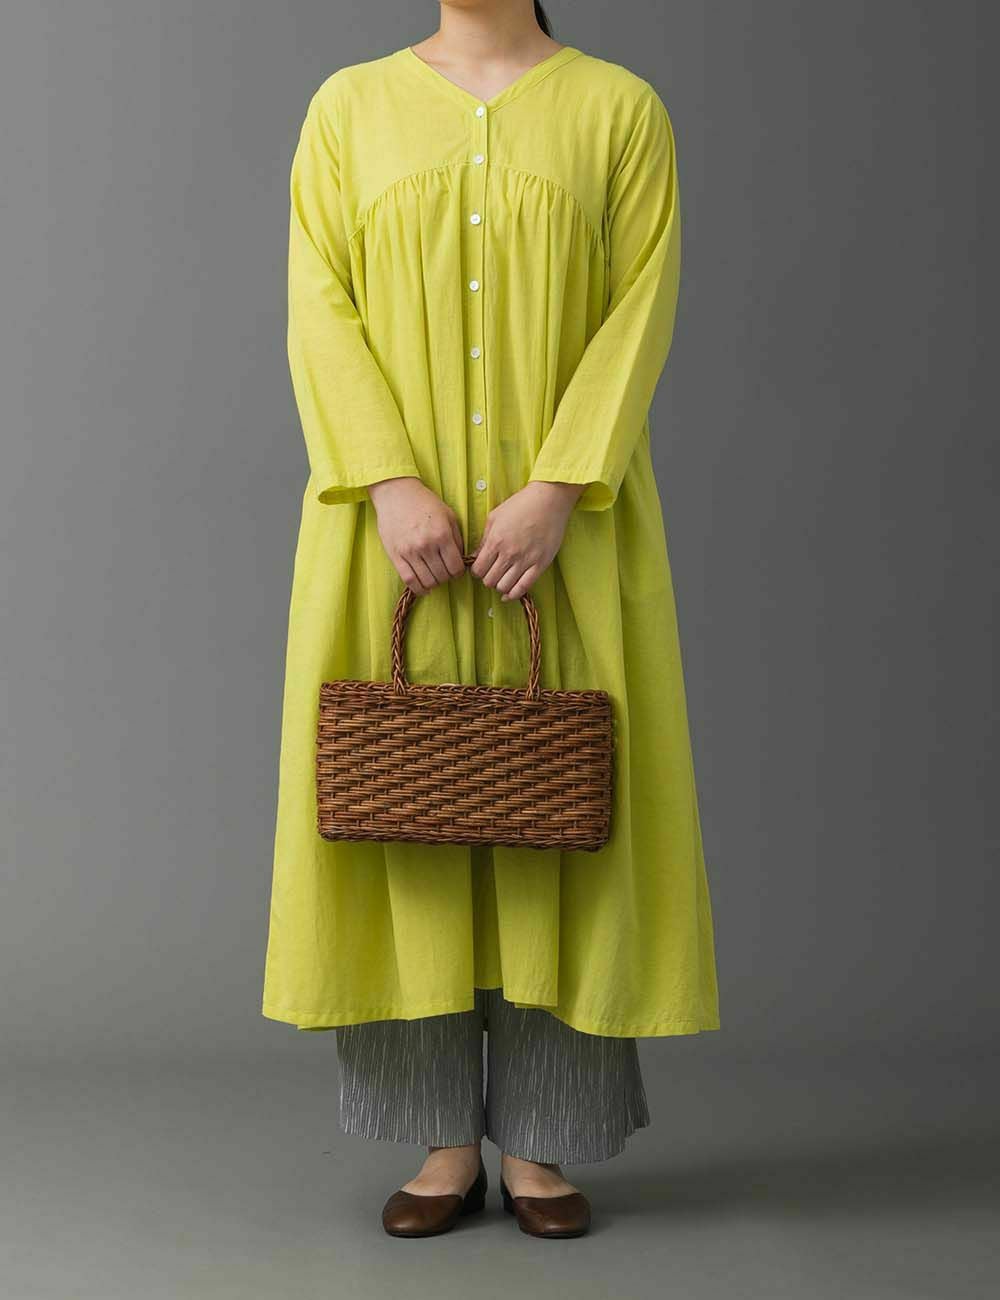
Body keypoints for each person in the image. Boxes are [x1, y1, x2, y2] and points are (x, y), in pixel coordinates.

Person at [262, 0, 721, 1239]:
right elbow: (318, 302)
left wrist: (560, 485)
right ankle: (440, 1142)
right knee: (402, 812)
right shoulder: (346, 109)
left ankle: (543, 1145)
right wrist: (388, 479)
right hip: (388, 534)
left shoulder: (618, 111)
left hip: (565, 532)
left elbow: (639, 307)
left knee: (558, 817)